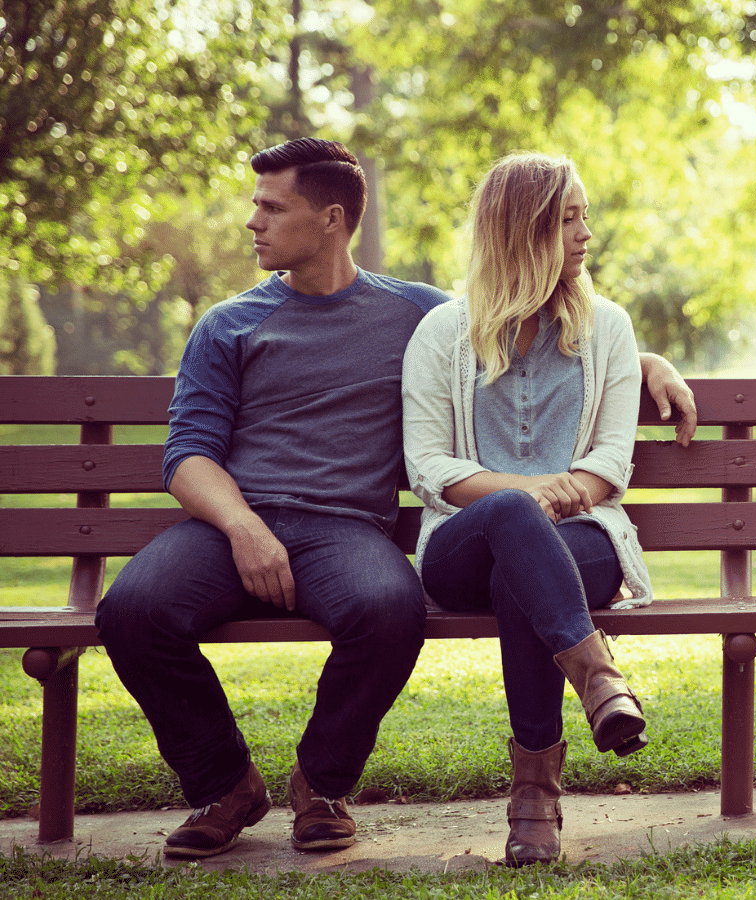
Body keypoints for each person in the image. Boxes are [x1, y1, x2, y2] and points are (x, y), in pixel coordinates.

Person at [94, 138, 696, 861]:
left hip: (345, 530)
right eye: (255, 205)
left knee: (390, 608)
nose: (251, 221)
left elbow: (519, 315)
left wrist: (647, 360)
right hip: (233, 523)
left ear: (331, 219)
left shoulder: (409, 310)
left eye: (270, 206)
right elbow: (186, 455)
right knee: (130, 612)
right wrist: (243, 525)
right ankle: (224, 786)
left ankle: (321, 786)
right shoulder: (229, 323)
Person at [401, 152, 656, 866]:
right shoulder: (442, 334)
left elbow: (610, 461)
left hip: (585, 539)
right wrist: (531, 491)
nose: (585, 234)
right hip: (461, 542)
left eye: (584, 216)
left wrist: (561, 493)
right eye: (568, 219)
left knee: (526, 569)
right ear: (523, 232)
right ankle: (598, 677)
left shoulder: (607, 327)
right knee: (516, 520)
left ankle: (534, 801)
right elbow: (429, 467)